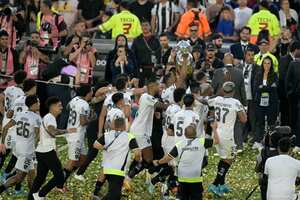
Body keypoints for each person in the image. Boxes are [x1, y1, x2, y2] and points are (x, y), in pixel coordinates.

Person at [153, 124, 219, 200]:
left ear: (184, 134)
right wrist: (214, 128)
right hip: (196, 178)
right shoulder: (202, 142)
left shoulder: (179, 144)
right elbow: (216, 141)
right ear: (195, 133)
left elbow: (168, 158)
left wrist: (158, 162)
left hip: (182, 178)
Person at [28, 97, 76, 200]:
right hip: (47, 151)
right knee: (60, 176)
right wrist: (66, 131)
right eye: (59, 105)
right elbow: (52, 131)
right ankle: (40, 195)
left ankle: (31, 198)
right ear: (52, 107)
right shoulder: (50, 118)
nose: (61, 108)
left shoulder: (47, 117)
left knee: (40, 178)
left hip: (41, 151)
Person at [208, 81, 247, 197]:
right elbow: (244, 119)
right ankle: (215, 184)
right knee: (229, 159)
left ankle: (222, 183)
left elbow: (208, 102)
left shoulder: (217, 100)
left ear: (223, 90)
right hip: (227, 135)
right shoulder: (236, 102)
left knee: (224, 159)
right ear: (234, 91)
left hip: (216, 132)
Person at [0, 95, 41, 194]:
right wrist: (35, 150)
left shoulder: (19, 114)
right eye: (38, 102)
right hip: (27, 151)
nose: (39, 104)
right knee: (19, 178)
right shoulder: (36, 118)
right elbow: (37, 136)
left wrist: (2, 143)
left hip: (17, 148)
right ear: (34, 104)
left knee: (31, 173)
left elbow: (5, 128)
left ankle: (33, 195)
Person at [93, 117, 141, 200]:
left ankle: (96, 193)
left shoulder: (107, 134)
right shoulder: (129, 137)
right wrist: (137, 160)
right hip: (118, 171)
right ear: (124, 125)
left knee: (115, 194)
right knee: (114, 196)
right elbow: (137, 153)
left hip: (106, 169)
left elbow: (95, 145)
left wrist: (105, 148)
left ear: (114, 125)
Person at [128, 76, 166, 179]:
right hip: (140, 130)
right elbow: (160, 105)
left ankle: (129, 173)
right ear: (152, 86)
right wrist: (171, 105)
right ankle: (128, 175)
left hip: (140, 129)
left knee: (145, 157)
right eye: (157, 85)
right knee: (148, 158)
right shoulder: (146, 96)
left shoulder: (147, 98)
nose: (159, 87)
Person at [62, 84, 93, 186]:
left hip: (74, 131)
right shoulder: (84, 104)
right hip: (76, 135)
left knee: (83, 157)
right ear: (87, 93)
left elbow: (67, 107)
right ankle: (60, 182)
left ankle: (66, 174)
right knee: (73, 160)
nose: (92, 93)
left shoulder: (74, 99)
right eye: (91, 91)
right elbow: (83, 122)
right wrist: (92, 118)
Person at [253, 57, 279, 150]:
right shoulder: (258, 75)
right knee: (259, 122)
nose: (266, 65)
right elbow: (256, 88)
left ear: (271, 65)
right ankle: (258, 141)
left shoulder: (275, 75)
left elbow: (275, 88)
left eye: (268, 63)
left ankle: (271, 142)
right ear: (262, 64)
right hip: (259, 102)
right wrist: (268, 87)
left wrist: (262, 87)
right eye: (265, 63)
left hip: (271, 102)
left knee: (271, 122)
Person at [237, 47, 259, 145]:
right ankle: (241, 140)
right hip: (241, 100)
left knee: (253, 120)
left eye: (253, 55)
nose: (251, 57)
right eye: (249, 55)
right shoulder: (238, 67)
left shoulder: (258, 68)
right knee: (241, 121)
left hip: (252, 99)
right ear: (245, 56)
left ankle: (254, 141)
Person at [131, 20, 161, 86]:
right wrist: (136, 68)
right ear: (140, 27)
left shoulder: (156, 39)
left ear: (150, 27)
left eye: (146, 25)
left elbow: (159, 54)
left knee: (152, 87)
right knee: (140, 87)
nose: (145, 27)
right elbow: (133, 55)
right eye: (143, 25)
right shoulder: (137, 40)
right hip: (140, 69)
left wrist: (157, 67)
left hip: (153, 68)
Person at [278, 41, 300, 128]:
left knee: (294, 117)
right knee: (286, 117)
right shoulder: (284, 59)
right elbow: (283, 77)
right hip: (286, 95)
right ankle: (285, 137)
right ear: (296, 50)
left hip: (295, 96)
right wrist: (290, 91)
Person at [286, 49, 300, 153]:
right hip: (296, 97)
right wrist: (291, 93)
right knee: (297, 121)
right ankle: (298, 144)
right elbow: (288, 80)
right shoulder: (294, 64)